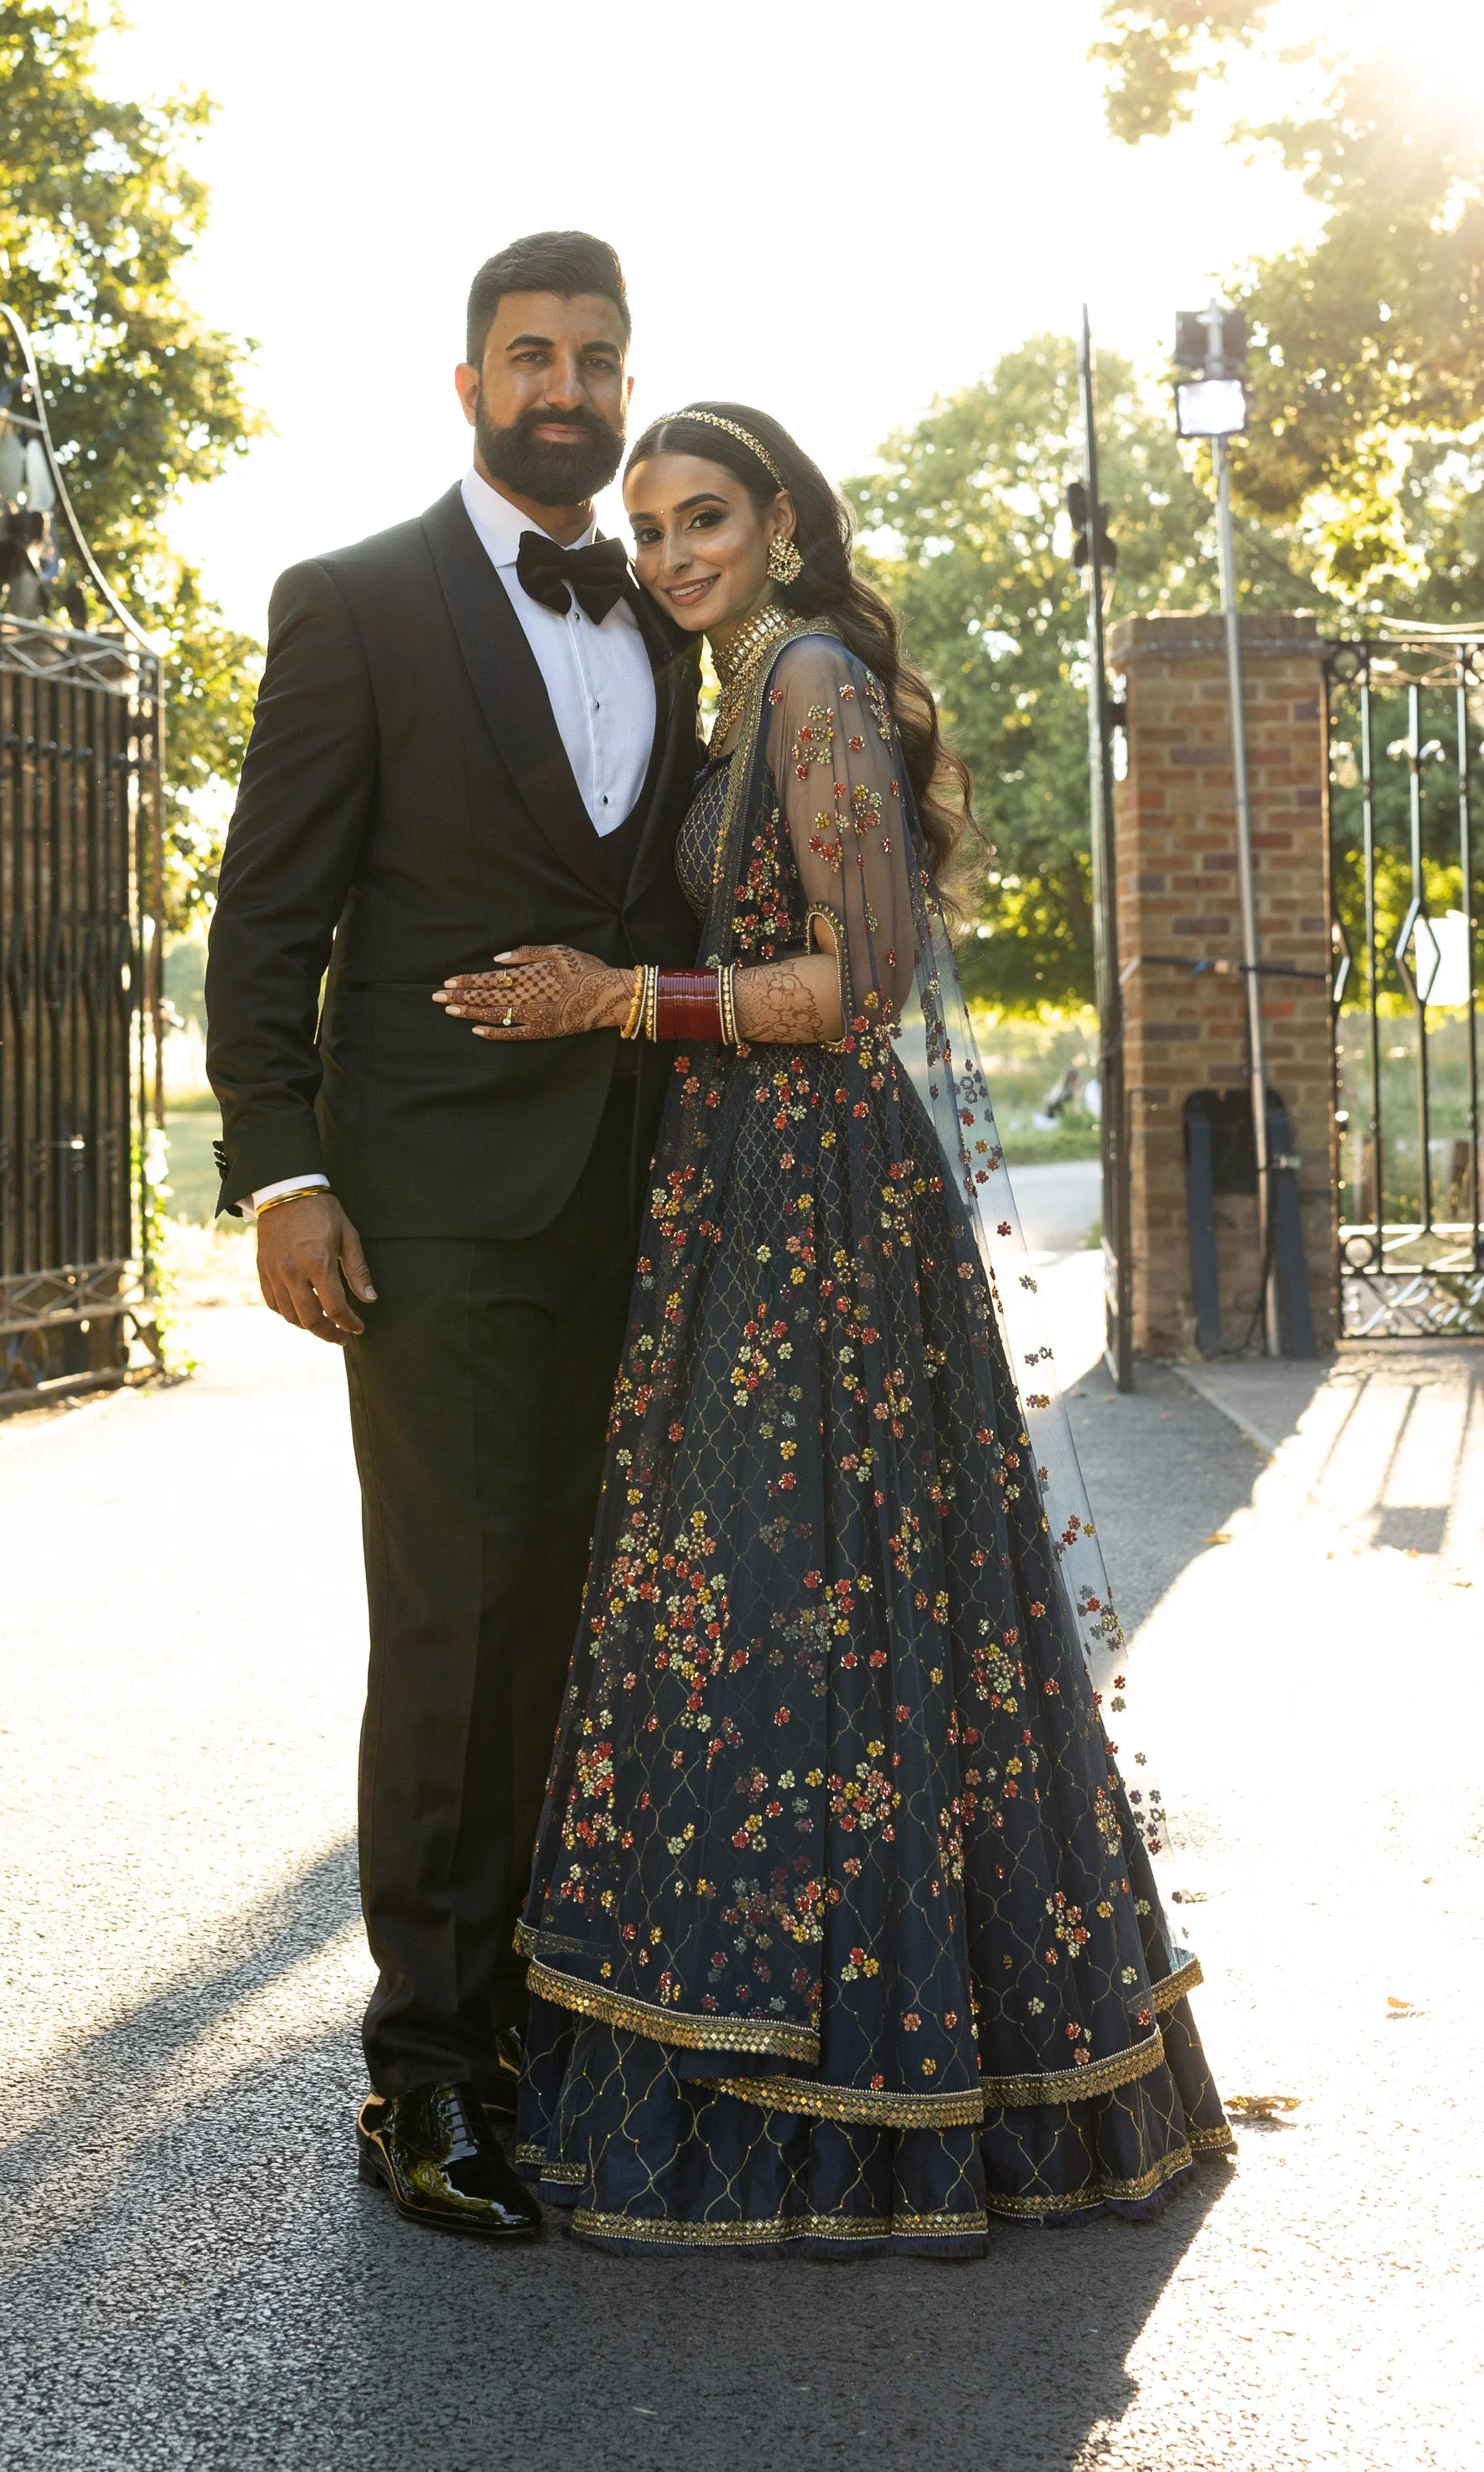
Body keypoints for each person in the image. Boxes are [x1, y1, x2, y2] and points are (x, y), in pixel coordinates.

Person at [432, 402, 1232, 2256]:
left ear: (778, 519)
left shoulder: (800, 681)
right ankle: (777, 2040)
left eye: (701, 515)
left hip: (817, 1211)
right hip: (743, 1193)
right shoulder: (747, 699)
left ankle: (854, 2079)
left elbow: (859, 984)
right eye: (646, 531)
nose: (670, 555)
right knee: (776, 1605)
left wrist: (611, 1000)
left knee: (808, 1597)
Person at [202, 232, 705, 2244]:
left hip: (649, 1202)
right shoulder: (355, 605)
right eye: (529, 353)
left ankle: (546, 2014)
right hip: (428, 1211)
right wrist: (282, 1169)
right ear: (469, 378)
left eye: (593, 354)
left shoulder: (673, 611)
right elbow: (271, 917)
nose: (562, 384)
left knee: (592, 1625)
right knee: (456, 1627)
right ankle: (423, 2078)